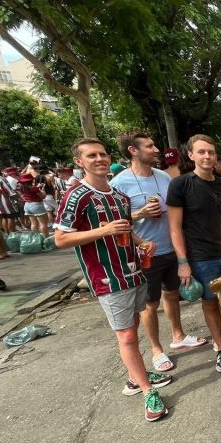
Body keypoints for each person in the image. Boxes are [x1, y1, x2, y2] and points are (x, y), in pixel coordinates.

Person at [54, 138, 170, 422]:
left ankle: (135, 376)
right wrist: (102, 231)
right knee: (127, 335)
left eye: (103, 154)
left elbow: (125, 230)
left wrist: (142, 242)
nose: (99, 159)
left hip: (132, 270)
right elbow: (61, 238)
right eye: (91, 155)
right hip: (106, 277)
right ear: (79, 162)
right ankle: (145, 391)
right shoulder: (76, 196)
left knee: (132, 326)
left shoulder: (118, 196)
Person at [112, 131, 207, 374]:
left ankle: (179, 335)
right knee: (149, 304)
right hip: (145, 253)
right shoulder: (119, 183)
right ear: (133, 151)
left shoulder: (163, 176)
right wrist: (140, 213)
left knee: (173, 294)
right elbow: (114, 222)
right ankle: (156, 350)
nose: (156, 150)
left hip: (171, 249)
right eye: (150, 146)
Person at [167, 134, 221, 373]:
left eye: (211, 152)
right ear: (191, 155)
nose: (207, 156)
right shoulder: (180, 184)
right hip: (200, 256)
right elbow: (174, 227)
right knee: (210, 301)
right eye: (202, 152)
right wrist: (183, 262)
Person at [17, 173, 49, 239]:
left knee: (33, 223)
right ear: (31, 180)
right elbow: (43, 196)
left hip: (27, 205)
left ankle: (35, 239)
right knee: (43, 223)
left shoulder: (21, 188)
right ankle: (46, 239)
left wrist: (37, 188)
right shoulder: (34, 188)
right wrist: (42, 190)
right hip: (36, 205)